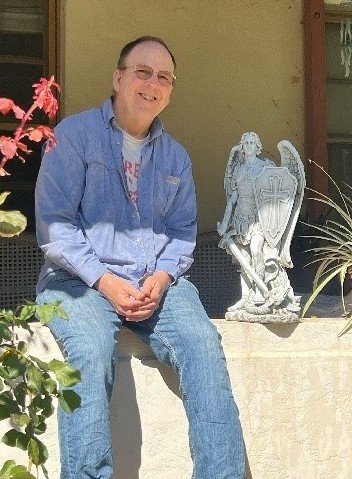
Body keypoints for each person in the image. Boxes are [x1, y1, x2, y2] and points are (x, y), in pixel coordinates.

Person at [35, 36, 245, 479]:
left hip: (154, 283)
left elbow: (182, 231)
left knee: (204, 345)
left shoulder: (176, 157)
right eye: (142, 72)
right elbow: (54, 225)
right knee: (89, 351)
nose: (153, 84)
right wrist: (106, 283)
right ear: (118, 78)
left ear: (170, 90)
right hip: (78, 282)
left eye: (164, 77)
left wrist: (165, 277)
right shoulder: (73, 136)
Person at [217, 132, 274, 309]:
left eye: (252, 143)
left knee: (257, 252)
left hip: (257, 219)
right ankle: (246, 296)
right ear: (242, 146)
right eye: (246, 143)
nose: (248, 145)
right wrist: (225, 224)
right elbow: (232, 199)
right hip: (240, 219)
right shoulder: (238, 170)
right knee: (244, 259)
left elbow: (274, 195)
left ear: (258, 147)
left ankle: (260, 291)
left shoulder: (265, 167)